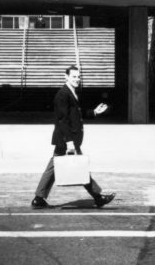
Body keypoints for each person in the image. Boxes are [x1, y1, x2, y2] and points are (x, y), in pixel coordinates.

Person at [31, 65, 115, 209]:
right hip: (66, 140)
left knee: (55, 168)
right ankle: (98, 197)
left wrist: (93, 112)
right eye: (74, 76)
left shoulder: (71, 93)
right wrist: (69, 142)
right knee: (79, 168)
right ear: (66, 77)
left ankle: (39, 198)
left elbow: (75, 116)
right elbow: (62, 120)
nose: (77, 79)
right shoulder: (63, 94)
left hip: (68, 139)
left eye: (78, 76)